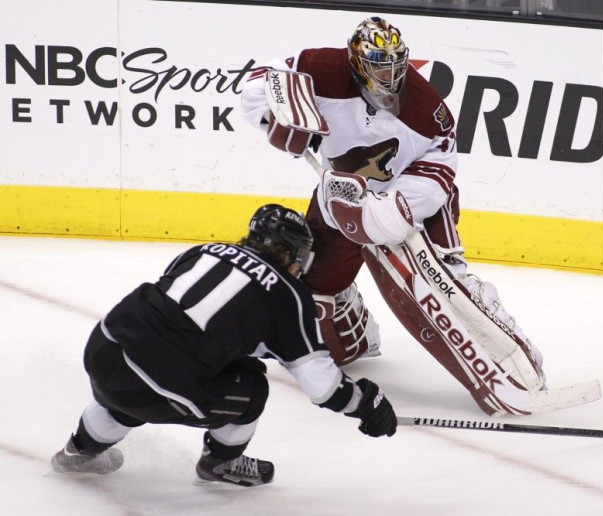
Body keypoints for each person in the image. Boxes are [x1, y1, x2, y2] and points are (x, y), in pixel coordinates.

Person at [240, 17, 544, 379]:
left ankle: (513, 355)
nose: (390, 78)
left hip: (413, 202)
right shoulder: (321, 67)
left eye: (396, 66)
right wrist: (275, 119)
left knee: (448, 286)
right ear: (356, 62)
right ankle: (359, 335)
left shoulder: (426, 107)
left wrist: (395, 209)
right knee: (317, 306)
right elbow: (260, 80)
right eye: (379, 67)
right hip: (341, 198)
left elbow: (441, 166)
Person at [50, 204, 397, 487]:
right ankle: (221, 462)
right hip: (158, 384)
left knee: (139, 376)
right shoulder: (289, 296)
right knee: (251, 385)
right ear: (293, 254)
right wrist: (365, 404)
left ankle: (79, 449)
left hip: (104, 348)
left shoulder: (202, 251)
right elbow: (321, 386)